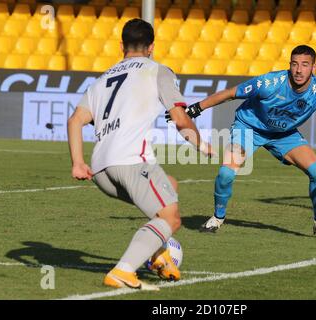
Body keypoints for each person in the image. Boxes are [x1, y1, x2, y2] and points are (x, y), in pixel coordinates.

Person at [67, 18, 213, 290]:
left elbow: (75, 120)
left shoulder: (101, 80)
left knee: (169, 186)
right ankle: (122, 271)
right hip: (131, 161)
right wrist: (202, 145)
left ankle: (157, 254)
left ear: (121, 45)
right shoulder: (157, 70)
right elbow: (180, 118)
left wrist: (78, 163)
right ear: (152, 47)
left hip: (100, 170)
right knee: (171, 219)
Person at [173, 45, 316, 240]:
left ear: (314, 68)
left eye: (305, 65)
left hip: (284, 135)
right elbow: (230, 93)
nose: (299, 70)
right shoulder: (269, 82)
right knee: (226, 173)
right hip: (249, 128)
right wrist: (196, 108)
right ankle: (218, 217)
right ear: (289, 65)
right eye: (294, 64)